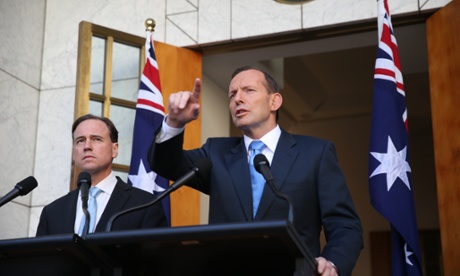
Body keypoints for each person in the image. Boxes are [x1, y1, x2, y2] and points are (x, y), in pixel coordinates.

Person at [148, 66, 363, 275]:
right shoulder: (216, 152)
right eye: (232, 95)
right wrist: (174, 122)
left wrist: (332, 264)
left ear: (274, 101)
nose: (237, 99)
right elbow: (166, 164)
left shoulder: (315, 153)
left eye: (248, 90)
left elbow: (345, 226)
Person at [37, 114, 167, 236]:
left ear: (114, 149)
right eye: (80, 140)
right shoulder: (52, 212)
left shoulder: (145, 205)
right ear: (74, 152)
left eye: (96, 139)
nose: (87, 146)